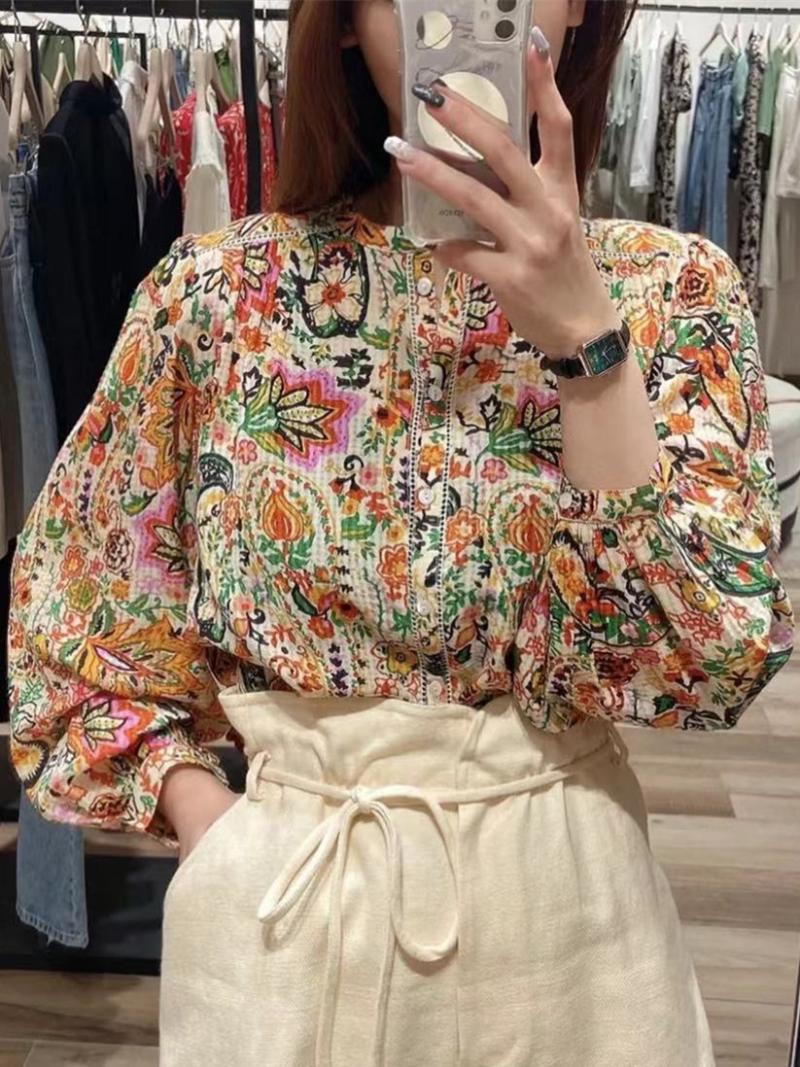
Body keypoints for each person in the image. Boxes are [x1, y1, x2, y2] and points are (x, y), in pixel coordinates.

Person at [7, 1, 794, 1064]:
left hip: (573, 925)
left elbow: (703, 665)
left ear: (580, 11)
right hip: (283, 917)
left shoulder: (673, 295)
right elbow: (77, 617)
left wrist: (587, 346)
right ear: (343, 23)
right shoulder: (215, 298)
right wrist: (206, 819)